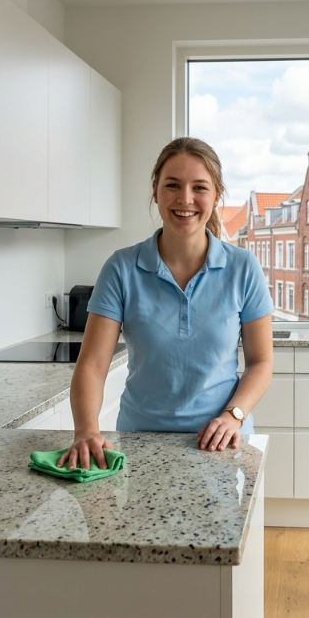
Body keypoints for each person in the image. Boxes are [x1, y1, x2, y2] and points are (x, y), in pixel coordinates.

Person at [59, 137, 274, 471]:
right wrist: (86, 429)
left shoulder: (243, 268)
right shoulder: (121, 268)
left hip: (221, 443)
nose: (185, 199)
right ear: (156, 192)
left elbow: (260, 363)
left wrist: (234, 416)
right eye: (172, 185)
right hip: (141, 441)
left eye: (199, 187)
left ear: (216, 196)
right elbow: (92, 364)